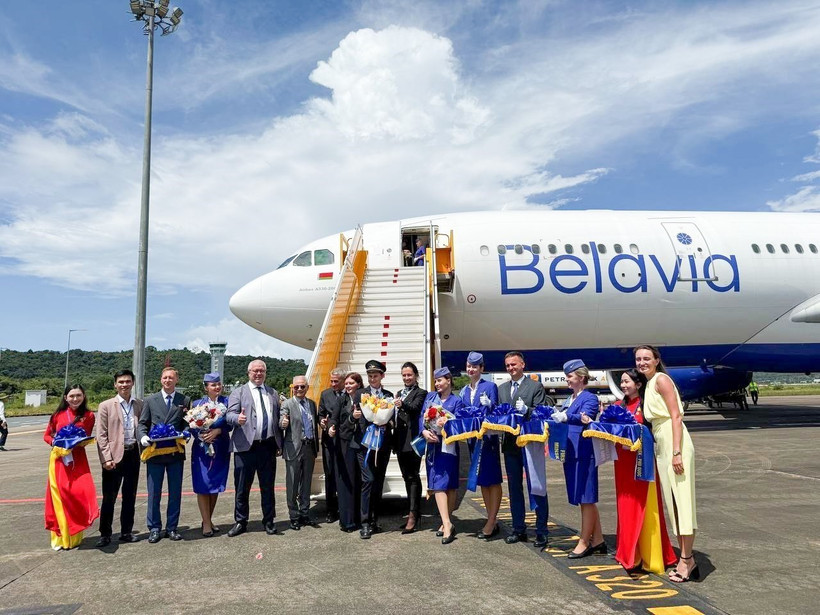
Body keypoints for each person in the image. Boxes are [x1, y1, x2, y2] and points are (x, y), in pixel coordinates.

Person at [635, 345, 699, 582]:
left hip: (674, 441)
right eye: (639, 359)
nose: (642, 362)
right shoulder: (649, 383)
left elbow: (676, 415)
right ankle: (686, 557)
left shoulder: (661, 380)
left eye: (646, 358)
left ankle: (686, 560)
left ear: (656, 360)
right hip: (662, 443)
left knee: (683, 502)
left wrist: (676, 452)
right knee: (673, 503)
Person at [612, 369, 677, 573]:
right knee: (626, 506)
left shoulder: (646, 405)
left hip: (642, 462)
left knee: (645, 507)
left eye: (626, 382)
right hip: (622, 464)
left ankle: (649, 554)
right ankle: (630, 553)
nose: (623, 385)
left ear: (638, 384)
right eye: (621, 382)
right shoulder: (616, 406)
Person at [225, 359, 283, 537]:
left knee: (267, 486)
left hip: (267, 446)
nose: (258, 374)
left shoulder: (272, 393)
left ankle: (269, 520)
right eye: (255, 371)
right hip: (245, 447)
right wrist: (238, 419)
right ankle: (241, 521)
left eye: (262, 371)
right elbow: (229, 415)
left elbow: (277, 417)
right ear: (248, 373)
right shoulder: (239, 392)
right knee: (242, 486)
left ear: (265, 373)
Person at [498, 351, 549, 548]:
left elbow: (542, 411)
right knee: (514, 489)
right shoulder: (502, 389)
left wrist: (527, 410)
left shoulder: (535, 386)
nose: (511, 368)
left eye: (514, 364)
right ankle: (518, 528)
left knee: (536, 487)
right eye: (508, 365)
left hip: (530, 444)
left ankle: (542, 531)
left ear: (522, 365)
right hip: (510, 445)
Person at [138, 367, 191, 544]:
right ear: (161, 380)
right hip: (155, 453)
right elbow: (142, 424)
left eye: (171, 378)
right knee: (154, 493)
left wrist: (187, 432)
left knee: (175, 492)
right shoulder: (150, 400)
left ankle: (172, 527)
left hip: (175, 452)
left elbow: (186, 423)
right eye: (165, 378)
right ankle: (154, 528)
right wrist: (143, 436)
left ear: (177, 380)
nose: (168, 380)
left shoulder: (184, 400)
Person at [560, 359, 606, 559]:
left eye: (570, 376)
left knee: (586, 498)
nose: (567, 380)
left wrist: (566, 417)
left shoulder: (589, 397)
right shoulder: (570, 398)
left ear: (580, 376)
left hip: (584, 452)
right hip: (571, 451)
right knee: (581, 497)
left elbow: (586, 417)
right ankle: (598, 539)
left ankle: (584, 541)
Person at [44, 385, 99, 550]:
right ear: (65, 397)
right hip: (59, 461)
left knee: (79, 496)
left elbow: (86, 436)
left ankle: (75, 535)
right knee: (60, 498)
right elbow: (47, 435)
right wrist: (55, 442)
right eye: (72, 396)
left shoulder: (89, 416)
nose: (75, 399)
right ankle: (60, 537)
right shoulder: (57, 415)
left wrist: (79, 442)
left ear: (84, 396)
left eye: (78, 396)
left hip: (79, 460)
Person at [95, 369, 143, 547]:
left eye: (128, 381)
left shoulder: (139, 404)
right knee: (109, 497)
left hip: (132, 454)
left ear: (133, 383)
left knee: (130, 496)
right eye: (121, 382)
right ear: (115, 384)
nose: (124, 384)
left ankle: (126, 532)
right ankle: (105, 533)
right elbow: (101, 435)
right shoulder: (106, 405)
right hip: (114, 456)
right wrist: (106, 458)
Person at [458, 351, 502, 540]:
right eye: (469, 366)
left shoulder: (490, 386)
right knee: (483, 480)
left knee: (493, 479)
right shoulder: (464, 391)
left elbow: (497, 410)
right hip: (472, 439)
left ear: (482, 369)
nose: (471, 369)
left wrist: (490, 404)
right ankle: (490, 518)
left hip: (488, 439)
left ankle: (492, 521)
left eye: (475, 366)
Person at [420, 366, 465, 545]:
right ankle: (447, 524)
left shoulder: (457, 401)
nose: (437, 384)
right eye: (435, 381)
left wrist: (447, 423)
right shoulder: (430, 398)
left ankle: (447, 520)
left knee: (451, 485)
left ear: (448, 380)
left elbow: (460, 424)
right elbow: (421, 419)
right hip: (433, 446)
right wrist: (423, 431)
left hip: (449, 447)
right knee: (438, 484)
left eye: (440, 380)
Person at [354, 360, 394, 539]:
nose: (372, 379)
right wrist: (354, 416)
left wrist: (388, 422)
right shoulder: (360, 394)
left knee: (378, 482)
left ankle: (373, 520)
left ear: (382, 376)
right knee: (368, 480)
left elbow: (392, 418)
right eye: (369, 376)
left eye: (375, 376)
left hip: (382, 446)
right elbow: (353, 416)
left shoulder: (388, 395)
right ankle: (364, 523)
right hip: (365, 446)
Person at [190, 372, 231, 537]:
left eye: (219, 384)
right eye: (213, 385)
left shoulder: (227, 402)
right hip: (201, 449)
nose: (217, 387)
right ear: (206, 387)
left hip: (220, 447)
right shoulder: (197, 403)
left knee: (215, 485)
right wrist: (200, 435)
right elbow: (191, 426)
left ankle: (208, 519)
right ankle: (206, 522)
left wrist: (218, 430)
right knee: (203, 484)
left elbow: (231, 422)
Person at [280, 375, 320, 530]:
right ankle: (294, 515)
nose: (299, 389)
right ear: (292, 388)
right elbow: (281, 421)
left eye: (302, 386)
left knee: (306, 483)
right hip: (294, 449)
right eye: (296, 387)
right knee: (292, 483)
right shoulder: (287, 404)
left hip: (309, 447)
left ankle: (305, 513)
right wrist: (283, 423)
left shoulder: (311, 404)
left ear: (307, 387)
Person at [392, 361, 427, 534]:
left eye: (409, 375)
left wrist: (401, 404)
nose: (406, 378)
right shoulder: (399, 392)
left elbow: (415, 409)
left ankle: (414, 515)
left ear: (416, 376)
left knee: (413, 477)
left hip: (413, 440)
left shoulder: (421, 393)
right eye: (404, 375)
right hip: (400, 440)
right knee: (406, 477)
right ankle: (411, 512)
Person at [328, 372, 363, 532]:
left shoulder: (364, 398)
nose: (348, 386)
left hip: (362, 443)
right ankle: (347, 521)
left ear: (358, 384)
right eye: (347, 383)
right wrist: (330, 427)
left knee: (359, 481)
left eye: (351, 383)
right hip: (344, 444)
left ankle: (360, 518)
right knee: (345, 482)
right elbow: (333, 418)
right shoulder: (341, 399)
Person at [318, 368, 345, 523]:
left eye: (336, 381)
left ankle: (345, 507)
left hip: (345, 440)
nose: (333, 384)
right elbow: (320, 413)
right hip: (329, 441)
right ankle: (331, 510)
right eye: (332, 381)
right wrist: (321, 422)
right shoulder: (325, 394)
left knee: (344, 474)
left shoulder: (349, 394)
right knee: (330, 475)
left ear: (343, 380)